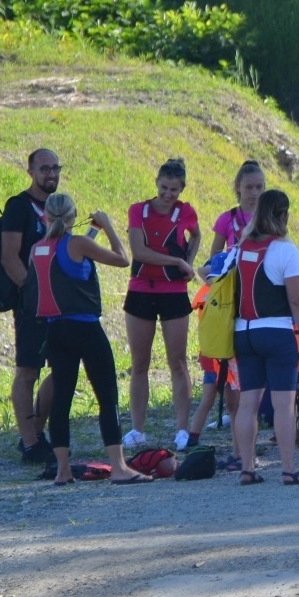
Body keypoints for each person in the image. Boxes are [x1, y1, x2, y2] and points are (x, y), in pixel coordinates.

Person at [23, 193, 148, 486]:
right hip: (86, 329)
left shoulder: (36, 249)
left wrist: (91, 233)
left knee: (62, 400)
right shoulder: (78, 242)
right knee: (107, 396)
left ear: (46, 218)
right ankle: (119, 467)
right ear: (71, 216)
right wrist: (106, 226)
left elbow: (64, 266)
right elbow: (122, 259)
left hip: (55, 330)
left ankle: (62, 470)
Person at [230, 189, 299, 484]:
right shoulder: (285, 249)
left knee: (247, 405)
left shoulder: (240, 246)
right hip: (277, 333)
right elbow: (295, 299)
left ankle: (247, 468)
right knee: (284, 404)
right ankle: (289, 469)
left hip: (244, 332)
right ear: (283, 215)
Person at [122, 158, 201, 452]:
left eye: (175, 189)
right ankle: (137, 430)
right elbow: (139, 252)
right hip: (141, 289)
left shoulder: (186, 211)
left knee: (178, 361)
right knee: (139, 364)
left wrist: (189, 262)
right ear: (156, 182)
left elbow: (197, 235)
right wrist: (177, 261)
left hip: (174, 291)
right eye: (165, 187)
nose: (169, 195)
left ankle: (182, 429)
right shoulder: (138, 211)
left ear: (182, 188)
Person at [2, 149, 60, 464]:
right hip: (31, 303)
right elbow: (9, 256)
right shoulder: (18, 207)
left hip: (60, 302)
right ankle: (29, 442)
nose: (51, 174)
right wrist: (31, 292)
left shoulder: (56, 206)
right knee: (27, 371)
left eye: (55, 168)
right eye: (44, 168)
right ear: (31, 171)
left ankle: (36, 433)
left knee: (62, 367)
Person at [183, 254, 242, 464]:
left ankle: (192, 438)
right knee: (236, 406)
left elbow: (202, 271)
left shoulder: (207, 290)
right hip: (230, 354)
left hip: (210, 353)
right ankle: (240, 450)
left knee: (207, 399)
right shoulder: (232, 290)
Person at [210, 159, 266, 256]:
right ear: (238, 187)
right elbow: (214, 260)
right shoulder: (226, 219)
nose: (254, 192)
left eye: (259, 187)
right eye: (249, 187)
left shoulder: (271, 219)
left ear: (264, 187)